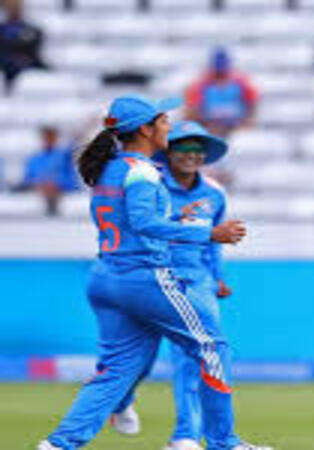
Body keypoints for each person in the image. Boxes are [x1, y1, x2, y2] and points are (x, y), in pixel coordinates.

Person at [37, 94, 269, 450]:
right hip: (143, 276)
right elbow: (144, 224)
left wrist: (175, 217)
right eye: (163, 121)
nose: (168, 127)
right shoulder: (142, 171)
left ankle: (57, 445)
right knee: (211, 348)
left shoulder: (109, 168)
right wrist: (209, 233)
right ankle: (224, 443)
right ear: (145, 129)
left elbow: (127, 221)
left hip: (106, 276)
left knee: (117, 370)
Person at [109, 121, 233, 450]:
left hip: (196, 281)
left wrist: (217, 276)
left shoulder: (214, 193)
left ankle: (185, 436)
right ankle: (121, 402)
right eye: (183, 148)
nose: (191, 155)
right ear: (168, 152)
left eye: (197, 149)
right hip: (152, 276)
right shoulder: (148, 184)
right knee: (139, 358)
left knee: (196, 358)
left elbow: (214, 241)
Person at [184, 47, 259, 137]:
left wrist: (245, 123)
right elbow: (191, 110)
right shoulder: (200, 84)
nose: (220, 77)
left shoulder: (241, 83)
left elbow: (252, 106)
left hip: (236, 126)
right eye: (218, 73)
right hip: (209, 125)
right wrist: (205, 124)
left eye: (223, 73)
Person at [14, 126, 78, 216]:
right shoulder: (34, 159)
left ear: (56, 138)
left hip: (59, 191)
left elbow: (71, 180)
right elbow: (27, 179)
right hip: (39, 191)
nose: (48, 140)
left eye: (51, 137)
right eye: (46, 138)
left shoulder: (64, 156)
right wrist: (39, 184)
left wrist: (56, 184)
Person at [0, 0, 48, 94]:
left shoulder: (34, 30)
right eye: (10, 6)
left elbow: (35, 53)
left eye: (16, 5)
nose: (13, 8)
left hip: (27, 66)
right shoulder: (2, 30)